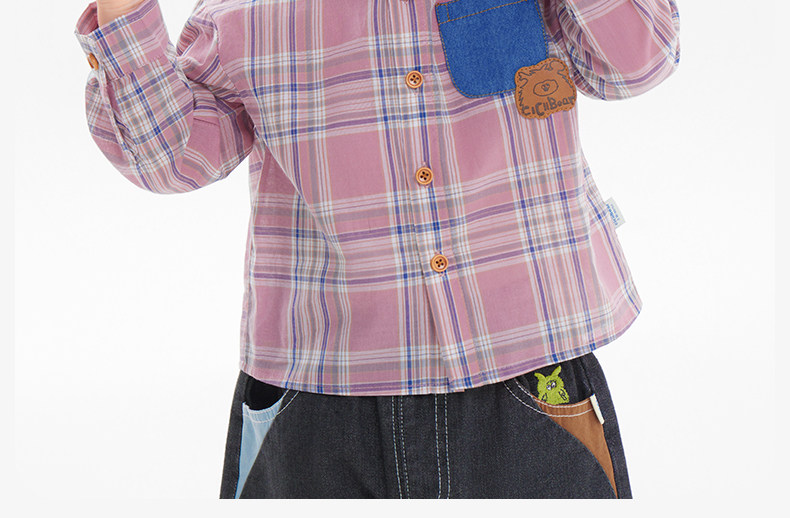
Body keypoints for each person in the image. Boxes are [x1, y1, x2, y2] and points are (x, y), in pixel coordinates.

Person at [74, 0, 681, 499]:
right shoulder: (246, 11)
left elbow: (637, 61)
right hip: (318, 397)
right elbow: (170, 157)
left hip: (531, 376)